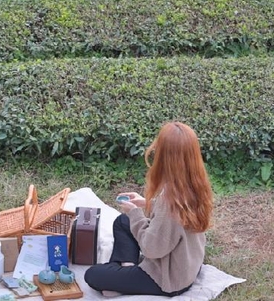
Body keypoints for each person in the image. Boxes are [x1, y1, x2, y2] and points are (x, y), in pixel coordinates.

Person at [85, 121, 213, 297]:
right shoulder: (196, 184)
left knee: (93, 274)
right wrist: (147, 204)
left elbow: (151, 249)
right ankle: (126, 270)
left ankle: (123, 281)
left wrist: (135, 213)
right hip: (186, 265)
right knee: (123, 221)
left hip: (168, 280)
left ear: (164, 156)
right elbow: (175, 222)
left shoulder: (170, 200)